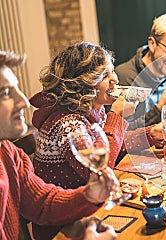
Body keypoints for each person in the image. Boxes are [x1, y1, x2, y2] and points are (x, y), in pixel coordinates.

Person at [28, 41, 162, 239]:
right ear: (83, 84)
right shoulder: (69, 125)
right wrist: (117, 116)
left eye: (112, 71)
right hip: (66, 226)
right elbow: (101, 170)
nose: (115, 79)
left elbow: (112, 145)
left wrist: (153, 134)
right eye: (105, 75)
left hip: (92, 210)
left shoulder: (90, 111)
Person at [0, 49, 117, 239]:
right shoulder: (68, 123)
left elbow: (42, 203)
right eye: (5, 93)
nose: (24, 102)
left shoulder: (7, 151)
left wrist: (88, 195)